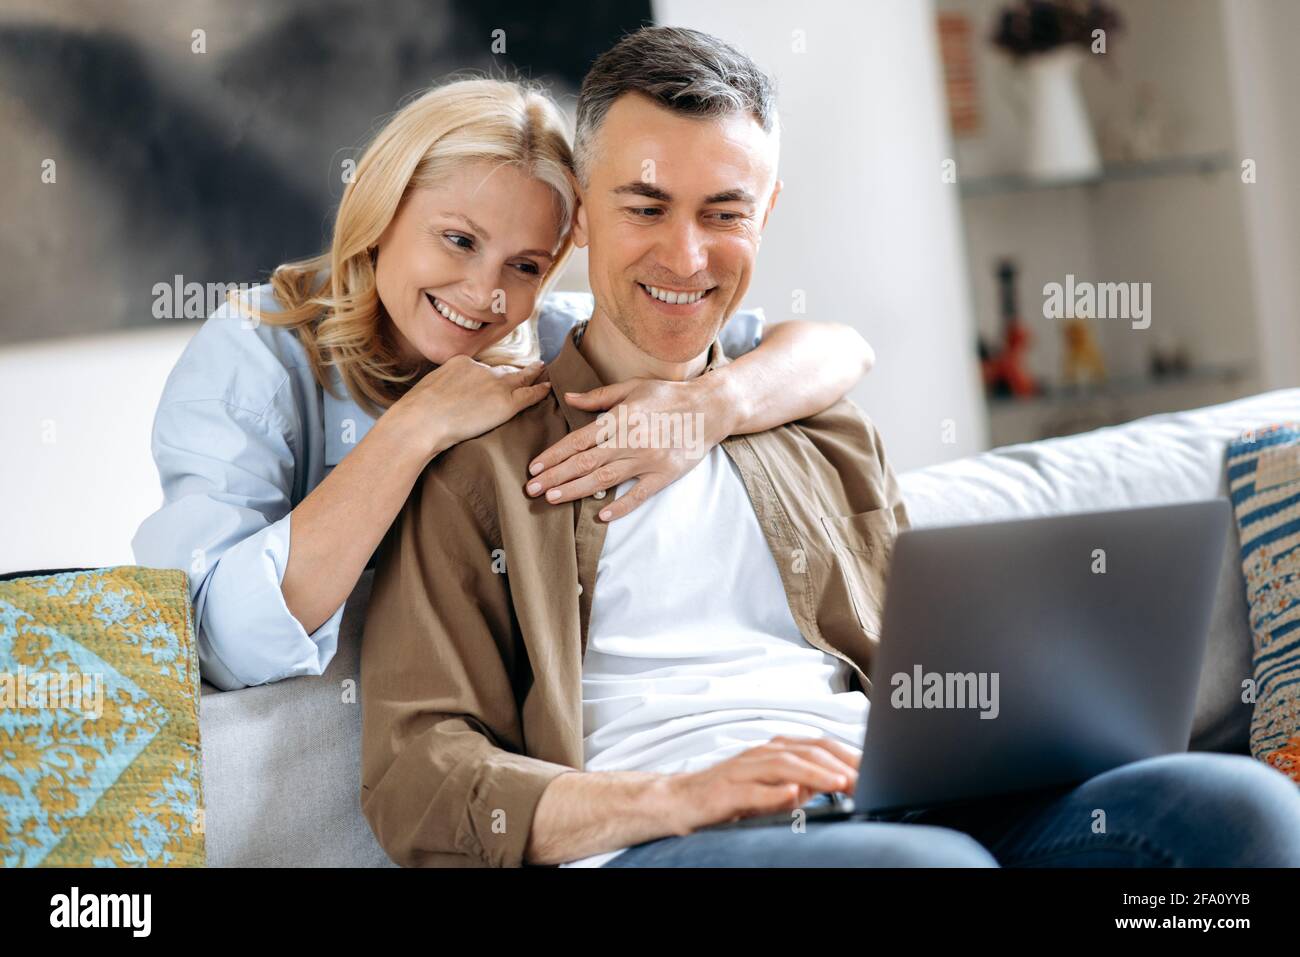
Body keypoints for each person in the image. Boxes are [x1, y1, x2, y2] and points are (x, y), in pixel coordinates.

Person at [359, 26, 1300, 868]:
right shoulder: (473, 456)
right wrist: (677, 797)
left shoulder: (820, 426)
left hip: (895, 796)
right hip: (668, 834)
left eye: (724, 212)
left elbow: (925, 663)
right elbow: (417, 771)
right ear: (579, 221)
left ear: (766, 214)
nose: (686, 257)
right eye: (645, 207)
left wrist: (1021, 721)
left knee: (1238, 807)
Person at [132, 77, 877, 691]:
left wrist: (713, 406)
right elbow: (213, 647)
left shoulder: (547, 337)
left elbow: (838, 349)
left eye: (525, 265)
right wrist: (415, 427)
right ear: (382, 208)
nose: (485, 293)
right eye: (458, 240)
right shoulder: (257, 352)